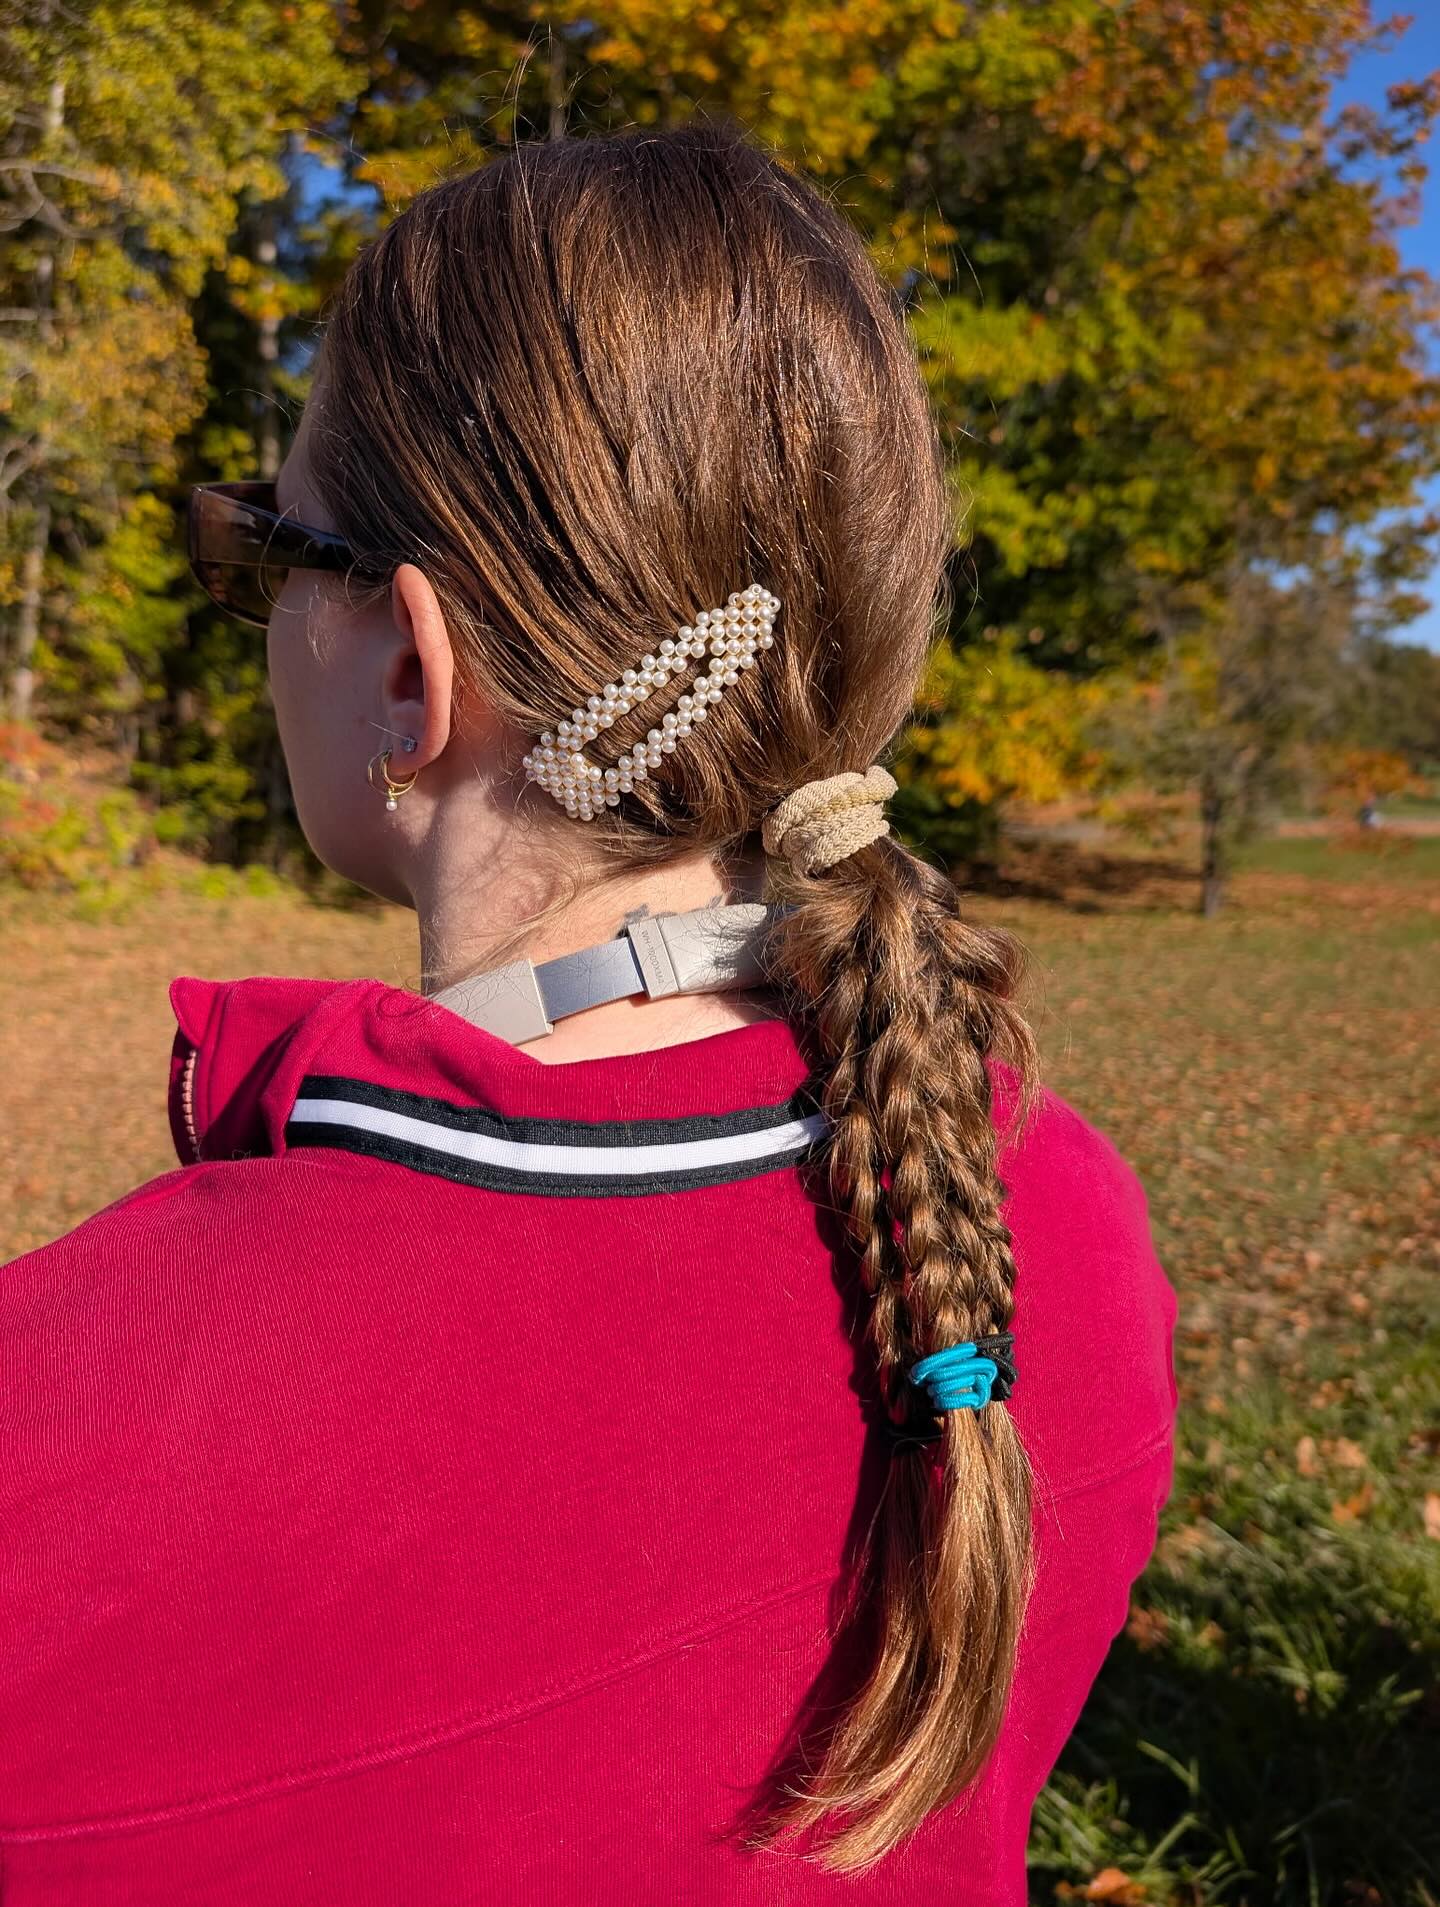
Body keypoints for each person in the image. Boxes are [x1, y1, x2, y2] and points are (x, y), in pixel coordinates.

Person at [0, 121, 1178, 1903]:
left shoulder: (73, 1438)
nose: (252, 609)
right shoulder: (1045, 1220)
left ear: (411, 666)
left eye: (266, 549)